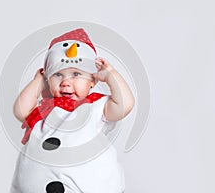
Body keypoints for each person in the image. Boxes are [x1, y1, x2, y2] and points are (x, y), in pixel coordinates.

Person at [11, 28, 135, 193]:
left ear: (92, 81)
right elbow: (20, 111)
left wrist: (110, 75)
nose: (66, 83)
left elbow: (125, 104)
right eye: (58, 75)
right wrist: (38, 81)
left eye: (76, 74)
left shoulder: (96, 106)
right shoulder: (44, 109)